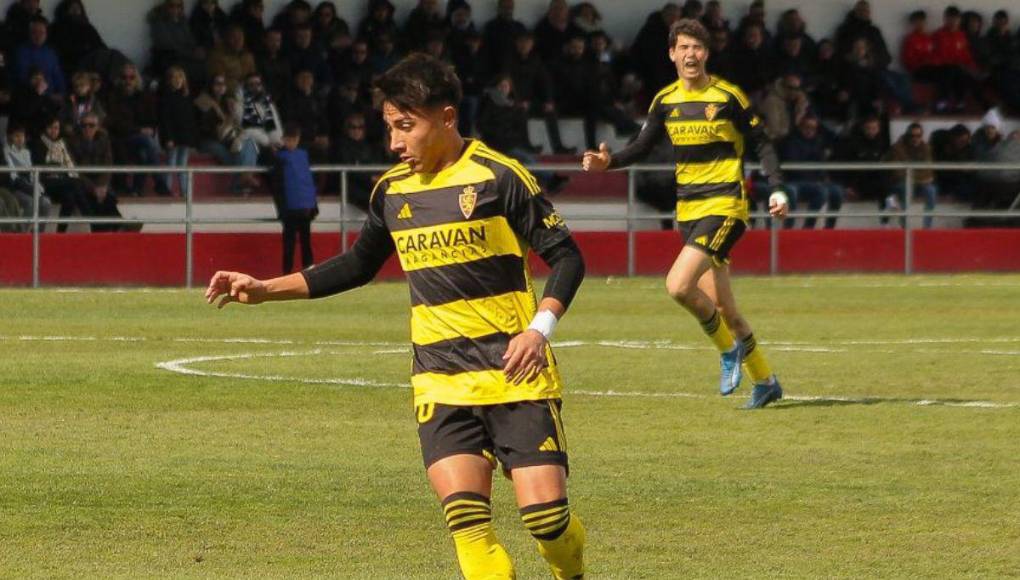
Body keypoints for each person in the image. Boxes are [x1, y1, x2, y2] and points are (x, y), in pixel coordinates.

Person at [205, 53, 587, 580]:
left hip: (514, 373)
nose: (394, 142)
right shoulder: (392, 191)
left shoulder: (501, 178)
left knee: (547, 521)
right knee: (469, 526)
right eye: (390, 127)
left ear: (447, 118)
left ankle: (571, 571)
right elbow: (359, 264)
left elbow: (567, 255)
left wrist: (538, 329)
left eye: (406, 126)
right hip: (439, 377)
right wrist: (265, 288)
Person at [583, 18, 788, 409]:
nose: (691, 54)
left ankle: (728, 352)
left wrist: (776, 187)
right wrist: (608, 163)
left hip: (725, 205)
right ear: (672, 54)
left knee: (677, 285)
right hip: (688, 210)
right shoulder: (665, 101)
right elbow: (642, 146)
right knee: (726, 309)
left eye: (697, 47)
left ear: (706, 54)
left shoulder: (728, 97)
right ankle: (765, 380)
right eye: (684, 47)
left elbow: (762, 142)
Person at [271, 123, 317, 273]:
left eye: (293, 139)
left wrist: (313, 204)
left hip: (304, 207)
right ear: (284, 139)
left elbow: (308, 182)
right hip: (291, 208)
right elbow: (277, 187)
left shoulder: (300, 156)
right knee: (289, 245)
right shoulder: (280, 158)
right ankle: (287, 274)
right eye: (289, 139)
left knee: (305, 242)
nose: (291, 142)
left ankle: (308, 272)